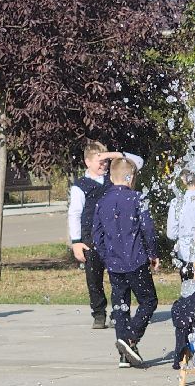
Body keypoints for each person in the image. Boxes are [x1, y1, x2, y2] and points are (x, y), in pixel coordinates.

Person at [91, 157, 159, 368]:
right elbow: (147, 229)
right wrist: (153, 254)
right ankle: (131, 338)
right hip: (136, 260)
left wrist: (106, 257)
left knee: (121, 307)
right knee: (149, 301)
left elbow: (97, 235)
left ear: (111, 177)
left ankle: (124, 355)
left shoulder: (102, 201)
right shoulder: (138, 199)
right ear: (130, 178)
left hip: (114, 264)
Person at [68, 141, 143, 329]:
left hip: (114, 237)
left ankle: (119, 311)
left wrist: (113, 154)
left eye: (105, 161)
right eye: (98, 161)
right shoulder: (81, 185)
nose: (103, 164)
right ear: (87, 162)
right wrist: (76, 242)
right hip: (90, 239)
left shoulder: (113, 180)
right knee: (93, 278)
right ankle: (99, 313)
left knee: (119, 277)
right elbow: (74, 213)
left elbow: (137, 162)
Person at [165, 166, 195, 279]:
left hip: (186, 255)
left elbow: (171, 234)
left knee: (189, 292)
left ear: (183, 179)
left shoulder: (177, 202)